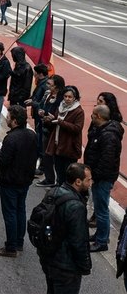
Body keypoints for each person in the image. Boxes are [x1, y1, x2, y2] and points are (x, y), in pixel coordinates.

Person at [36, 163, 92, 293]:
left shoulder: (53, 192)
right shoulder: (76, 207)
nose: (91, 182)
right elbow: (78, 242)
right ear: (78, 182)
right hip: (66, 268)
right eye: (88, 180)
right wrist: (85, 266)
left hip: (49, 259)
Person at [0, 105, 37, 257]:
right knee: (20, 210)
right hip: (25, 180)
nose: (7, 119)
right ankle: (19, 242)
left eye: (9, 117)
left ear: (15, 121)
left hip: (10, 181)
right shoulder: (31, 135)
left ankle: (11, 247)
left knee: (10, 213)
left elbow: (4, 160)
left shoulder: (10, 138)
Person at [83, 104, 123, 252]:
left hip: (102, 178)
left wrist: (94, 175)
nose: (91, 116)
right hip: (100, 176)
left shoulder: (108, 136)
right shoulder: (101, 131)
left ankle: (102, 241)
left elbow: (107, 160)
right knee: (99, 208)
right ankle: (100, 235)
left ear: (98, 116)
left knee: (101, 210)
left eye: (93, 114)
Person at [44, 86, 85, 186]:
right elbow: (56, 122)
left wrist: (61, 122)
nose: (67, 99)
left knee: (68, 175)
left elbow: (77, 128)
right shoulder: (60, 106)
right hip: (58, 146)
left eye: (70, 97)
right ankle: (59, 187)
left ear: (75, 98)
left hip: (69, 148)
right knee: (59, 172)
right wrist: (50, 120)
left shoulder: (78, 111)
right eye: (65, 96)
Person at [36, 75, 66, 187]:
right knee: (46, 155)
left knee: (56, 158)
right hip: (45, 128)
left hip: (55, 131)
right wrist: (41, 111)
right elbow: (41, 106)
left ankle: (60, 182)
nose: (47, 86)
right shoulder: (47, 95)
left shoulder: (61, 100)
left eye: (50, 84)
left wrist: (53, 118)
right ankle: (49, 179)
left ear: (57, 88)